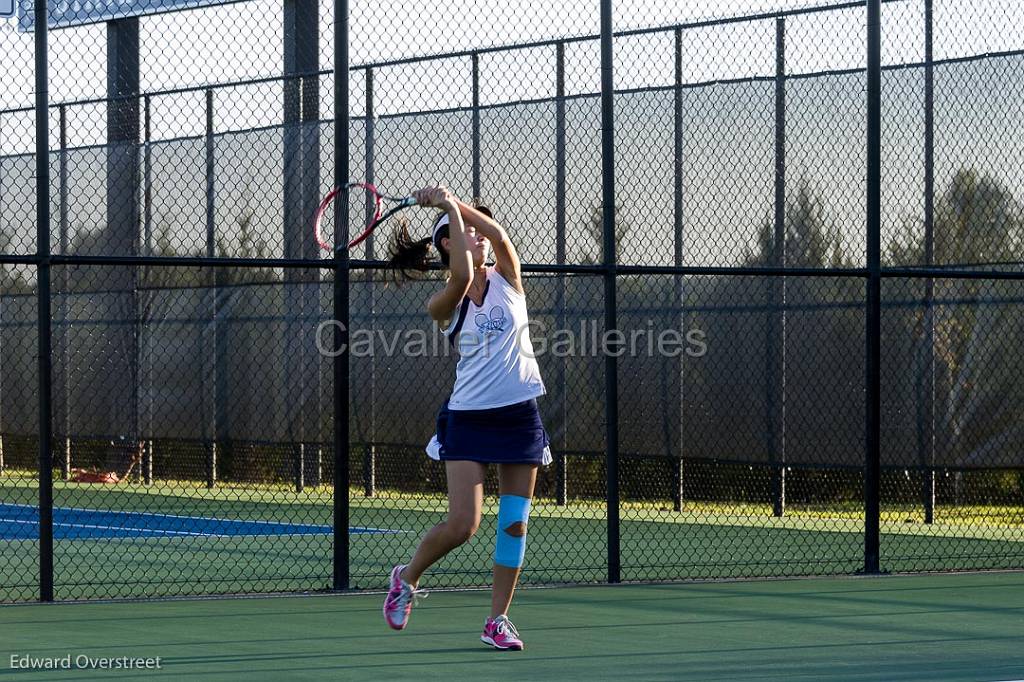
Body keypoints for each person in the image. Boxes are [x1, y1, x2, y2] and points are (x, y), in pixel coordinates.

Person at [382, 185, 551, 651]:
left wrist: (453, 202)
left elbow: (497, 232)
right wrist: (449, 207)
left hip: (519, 416)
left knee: (515, 522)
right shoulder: (446, 302)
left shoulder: (509, 277)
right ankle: (407, 578)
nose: (479, 234)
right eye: (466, 231)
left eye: (477, 227)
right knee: (463, 525)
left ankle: (498, 619)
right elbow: (460, 275)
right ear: (447, 244)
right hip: (469, 420)